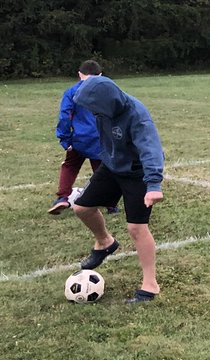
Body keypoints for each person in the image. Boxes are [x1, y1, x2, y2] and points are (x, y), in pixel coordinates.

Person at [70, 75, 165, 304]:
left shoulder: (136, 116)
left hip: (137, 172)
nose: (92, 111)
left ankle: (150, 285)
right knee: (82, 208)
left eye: (94, 107)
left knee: (136, 228)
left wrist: (153, 184)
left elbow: (150, 149)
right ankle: (105, 242)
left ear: (107, 101)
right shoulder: (103, 112)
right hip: (112, 166)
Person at [49, 60, 117, 216]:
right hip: (100, 139)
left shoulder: (72, 92)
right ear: (100, 75)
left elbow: (65, 116)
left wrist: (65, 139)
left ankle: (63, 197)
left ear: (79, 74)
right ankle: (110, 203)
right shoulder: (107, 91)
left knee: (70, 166)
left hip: (79, 139)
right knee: (102, 171)